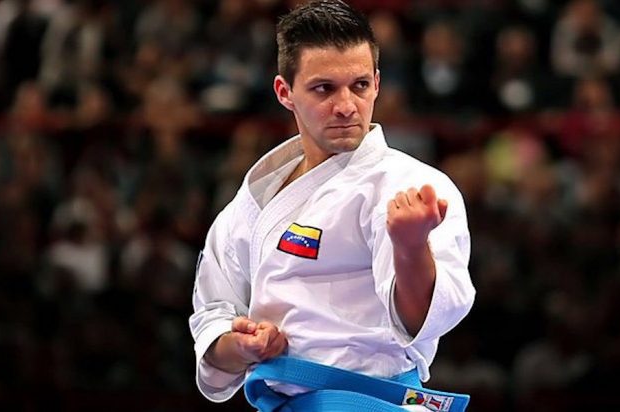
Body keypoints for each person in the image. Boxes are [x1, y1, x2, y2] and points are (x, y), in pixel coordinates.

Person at [189, 1, 476, 410]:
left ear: (377, 83)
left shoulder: (409, 185)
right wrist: (242, 346)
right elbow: (212, 316)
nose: (346, 105)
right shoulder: (253, 200)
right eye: (324, 88)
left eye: (359, 85)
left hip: (369, 401)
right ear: (284, 92)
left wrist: (411, 247)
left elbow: (423, 320)